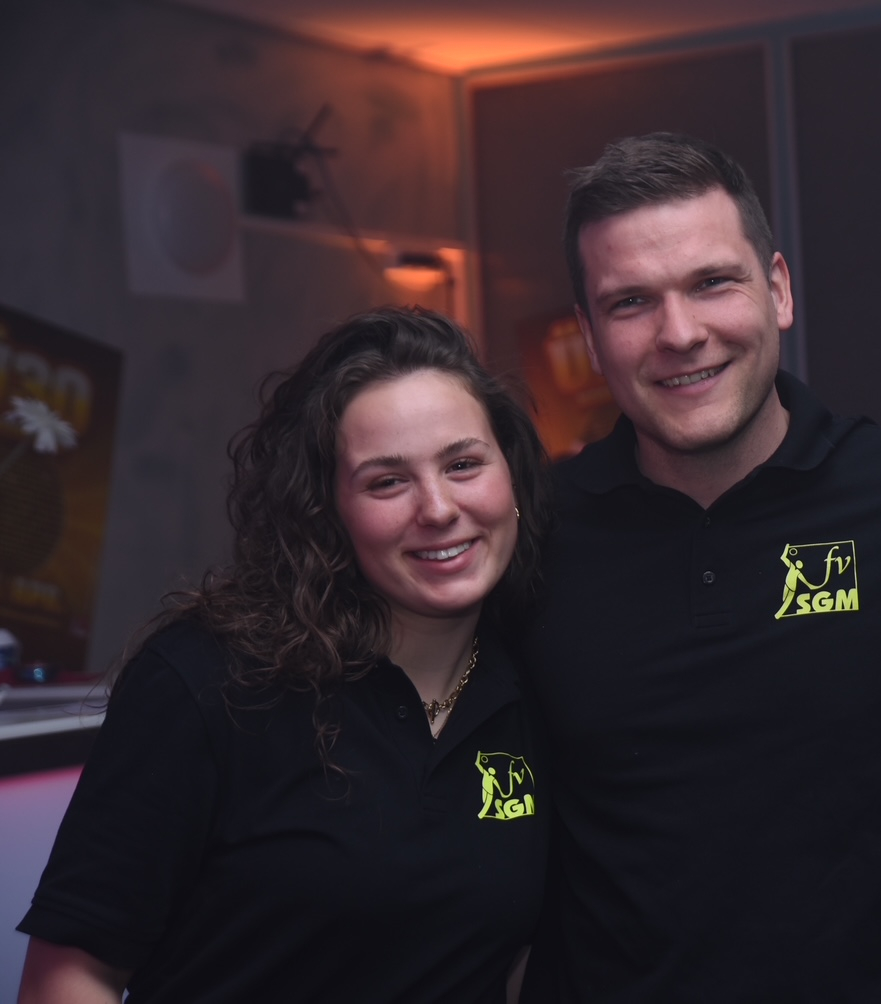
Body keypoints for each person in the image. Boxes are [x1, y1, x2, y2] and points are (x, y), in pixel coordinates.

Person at [518, 132, 881, 1003]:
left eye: (712, 283)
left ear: (777, 290)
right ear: (589, 334)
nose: (680, 334)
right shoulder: (530, 543)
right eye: (631, 303)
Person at [16, 306, 551, 1003]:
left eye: (463, 464)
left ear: (512, 477)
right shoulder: (210, 681)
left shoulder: (539, 680)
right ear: (328, 514)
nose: (438, 507)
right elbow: (70, 976)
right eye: (387, 481)